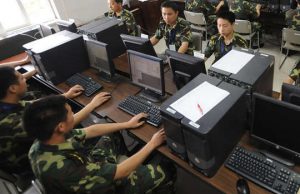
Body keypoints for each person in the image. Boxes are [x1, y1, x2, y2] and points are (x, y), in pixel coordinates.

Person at [23, 95, 175, 194]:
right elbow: (120, 172)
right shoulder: (64, 168)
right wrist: (152, 144)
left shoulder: (44, 141)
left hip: (90, 166)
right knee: (167, 168)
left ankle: (131, 161)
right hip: (104, 186)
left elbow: (90, 131)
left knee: (112, 133)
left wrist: (126, 124)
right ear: (61, 127)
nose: (73, 116)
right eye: (70, 113)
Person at [0, 66, 111, 176]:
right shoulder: (11, 124)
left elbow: (36, 105)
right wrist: (92, 104)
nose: (25, 79)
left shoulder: (7, 103)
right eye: (21, 78)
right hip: (35, 164)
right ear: (12, 88)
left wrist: (65, 95)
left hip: (36, 144)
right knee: (104, 134)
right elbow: (60, 124)